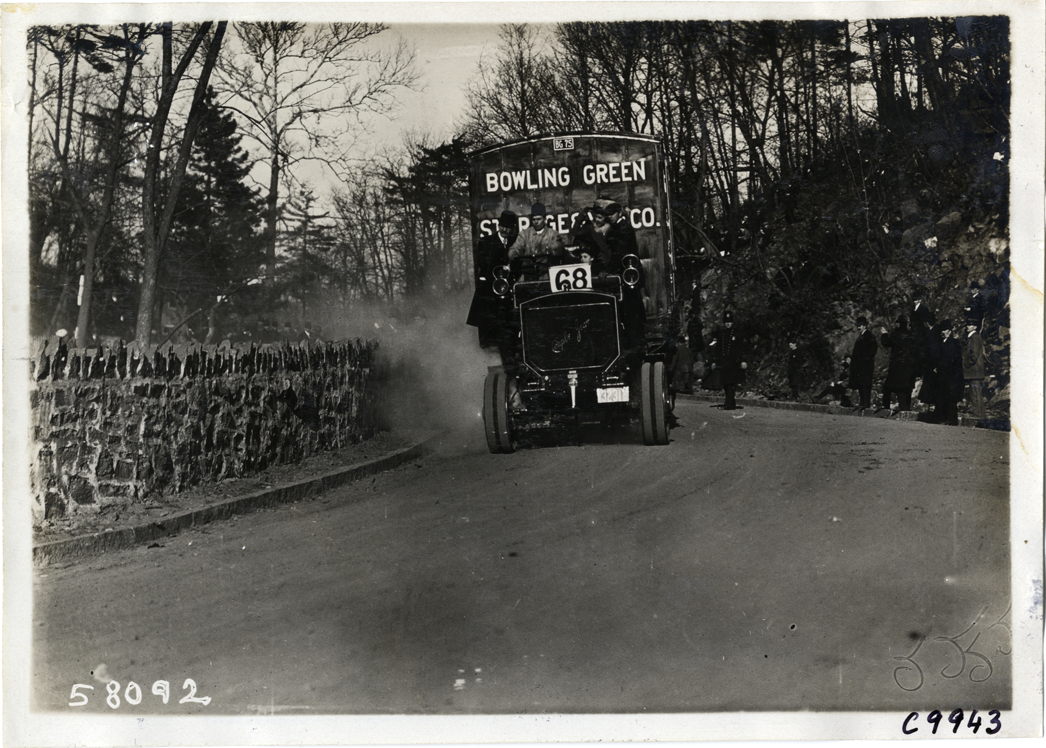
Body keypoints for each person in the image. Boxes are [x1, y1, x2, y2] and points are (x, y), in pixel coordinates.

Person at [467, 210, 518, 360]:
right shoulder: (486, 242)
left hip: (509, 294)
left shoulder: (516, 241)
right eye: (502, 226)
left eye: (508, 227)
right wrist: (502, 266)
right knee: (490, 330)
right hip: (491, 292)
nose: (504, 230)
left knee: (510, 330)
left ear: (512, 228)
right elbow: (483, 263)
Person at [603, 202, 646, 349]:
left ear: (619, 213)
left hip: (629, 277)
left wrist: (609, 270)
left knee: (632, 312)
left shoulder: (623, 229)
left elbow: (618, 253)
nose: (609, 217)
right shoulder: (617, 228)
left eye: (612, 214)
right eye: (607, 215)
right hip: (626, 276)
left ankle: (635, 343)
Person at [708, 310, 747, 410]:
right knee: (726, 383)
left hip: (734, 362)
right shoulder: (722, 334)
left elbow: (743, 347)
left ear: (732, 322)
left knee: (731, 383)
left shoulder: (738, 333)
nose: (728, 324)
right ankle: (731, 403)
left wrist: (743, 360)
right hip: (724, 362)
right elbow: (718, 349)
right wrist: (714, 361)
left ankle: (728, 404)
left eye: (729, 322)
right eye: (726, 322)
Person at [880, 315, 917, 411]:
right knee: (906, 389)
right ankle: (906, 409)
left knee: (889, 388)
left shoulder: (896, 334)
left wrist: (884, 334)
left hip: (897, 366)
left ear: (899, 323)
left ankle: (887, 408)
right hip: (909, 367)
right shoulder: (912, 335)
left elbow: (886, 343)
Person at [933, 319, 965, 425]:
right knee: (943, 396)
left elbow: (952, 360)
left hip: (951, 375)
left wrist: (941, 367)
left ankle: (951, 420)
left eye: (945, 330)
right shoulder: (942, 343)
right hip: (944, 374)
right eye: (942, 330)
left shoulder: (953, 343)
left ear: (950, 331)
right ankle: (943, 418)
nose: (943, 332)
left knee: (950, 398)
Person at [848, 316, 878, 409]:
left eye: (860, 325)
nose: (858, 327)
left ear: (865, 326)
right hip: (859, 365)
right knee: (860, 383)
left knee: (866, 384)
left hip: (866, 365)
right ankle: (862, 403)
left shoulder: (869, 336)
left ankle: (866, 404)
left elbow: (873, 350)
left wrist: (865, 358)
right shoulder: (861, 336)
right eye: (858, 326)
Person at [962, 320, 988, 420]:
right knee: (974, 393)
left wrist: (966, 364)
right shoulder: (971, 337)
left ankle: (979, 417)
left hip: (975, 371)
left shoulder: (975, 337)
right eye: (968, 324)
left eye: (970, 325)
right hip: (973, 371)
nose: (968, 326)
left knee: (976, 394)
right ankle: (979, 416)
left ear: (975, 327)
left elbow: (974, 354)